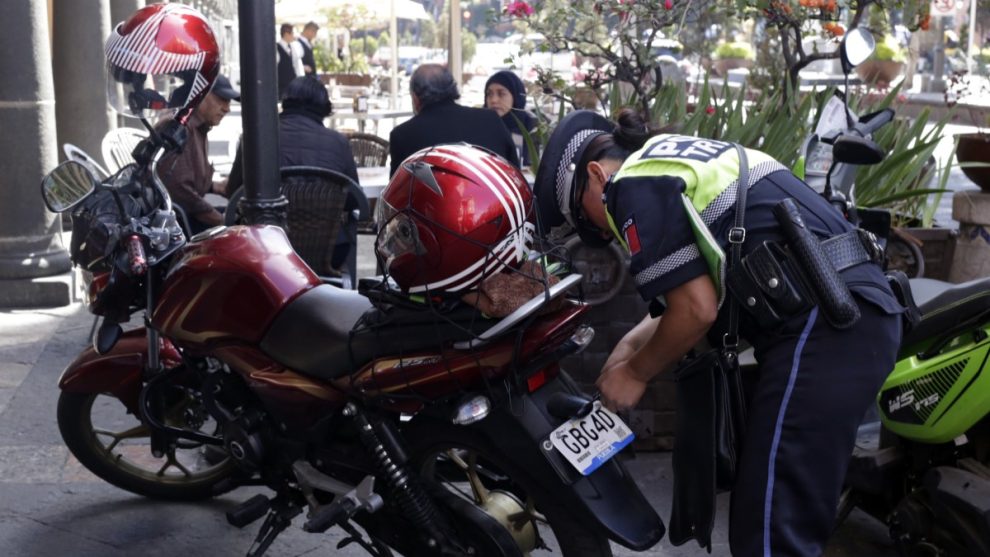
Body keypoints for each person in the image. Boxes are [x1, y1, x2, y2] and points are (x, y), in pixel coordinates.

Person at [534, 109, 904, 556]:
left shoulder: (630, 184)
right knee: (765, 509)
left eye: (589, 219)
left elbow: (696, 309)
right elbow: (703, 286)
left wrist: (635, 373)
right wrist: (632, 343)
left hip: (825, 326)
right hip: (849, 310)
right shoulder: (679, 160)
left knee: (770, 532)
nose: (603, 229)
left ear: (597, 174)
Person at [227, 77, 359, 269]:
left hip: (265, 250)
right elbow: (353, 201)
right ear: (324, 107)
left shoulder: (254, 137)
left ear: (286, 102)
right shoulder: (339, 142)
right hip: (329, 252)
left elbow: (234, 191)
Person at [388, 64, 519, 176]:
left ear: (415, 97)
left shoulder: (402, 135)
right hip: (494, 204)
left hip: (432, 205)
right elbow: (515, 173)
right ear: (453, 88)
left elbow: (396, 197)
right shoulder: (490, 119)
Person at [156, 74, 240, 234]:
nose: (227, 108)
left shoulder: (199, 126)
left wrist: (214, 187)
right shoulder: (178, 127)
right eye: (222, 99)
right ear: (200, 95)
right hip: (175, 226)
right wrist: (219, 219)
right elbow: (178, 189)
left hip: (185, 215)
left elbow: (184, 176)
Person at [484, 70, 538, 167]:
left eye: (501, 94)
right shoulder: (480, 126)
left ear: (516, 97)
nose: (493, 100)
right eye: (489, 94)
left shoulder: (531, 128)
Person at [276, 23, 303, 99]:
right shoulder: (276, 48)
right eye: (293, 33)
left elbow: (296, 66)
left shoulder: (293, 47)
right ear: (286, 34)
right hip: (281, 88)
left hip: (292, 87)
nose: (294, 36)